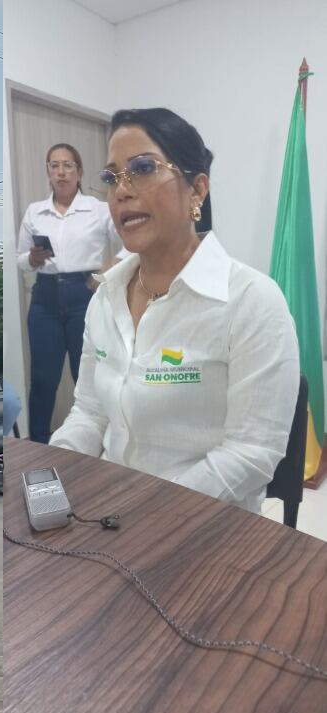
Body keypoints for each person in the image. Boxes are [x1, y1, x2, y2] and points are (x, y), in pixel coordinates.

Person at [50, 108, 300, 514]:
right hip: (109, 516)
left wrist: (148, 509)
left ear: (197, 190)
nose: (121, 191)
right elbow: (91, 412)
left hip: (207, 527)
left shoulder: (252, 301)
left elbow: (253, 451)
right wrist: (52, 470)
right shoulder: (105, 297)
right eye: (112, 177)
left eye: (143, 168)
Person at [21, 142, 124, 443]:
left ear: (79, 172)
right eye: (54, 166)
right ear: (48, 173)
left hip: (85, 295)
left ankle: (102, 445)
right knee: (42, 381)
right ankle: (38, 446)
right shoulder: (35, 212)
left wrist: (107, 273)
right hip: (45, 298)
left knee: (89, 378)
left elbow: (130, 245)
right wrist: (31, 259)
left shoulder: (98, 209)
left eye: (68, 165)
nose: (61, 172)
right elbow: (19, 259)